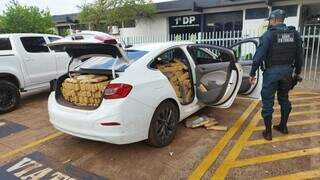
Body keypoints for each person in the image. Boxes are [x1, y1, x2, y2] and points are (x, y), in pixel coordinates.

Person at [249, 9, 303, 141]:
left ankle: (268, 133)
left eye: (270, 20)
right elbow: (299, 57)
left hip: (271, 73)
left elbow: (258, 58)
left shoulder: (268, 35)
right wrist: (297, 72)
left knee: (268, 102)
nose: (269, 23)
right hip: (287, 73)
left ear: (273, 20)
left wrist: (252, 73)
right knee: (284, 98)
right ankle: (283, 127)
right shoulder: (294, 34)